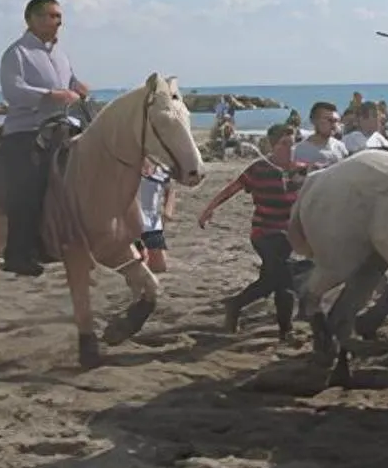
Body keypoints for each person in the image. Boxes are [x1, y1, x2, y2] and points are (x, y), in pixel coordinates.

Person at [0, 0, 90, 277]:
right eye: (52, 16)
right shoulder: (17, 53)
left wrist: (77, 85)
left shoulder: (60, 54)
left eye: (59, 16)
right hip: (27, 130)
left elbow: (68, 82)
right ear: (32, 19)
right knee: (29, 186)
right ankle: (19, 253)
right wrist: (51, 95)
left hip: (63, 125)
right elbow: (13, 91)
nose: (58, 22)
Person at [199, 124, 309, 337]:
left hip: (289, 235)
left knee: (272, 280)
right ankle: (285, 330)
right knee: (284, 279)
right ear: (272, 145)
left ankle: (236, 306)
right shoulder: (259, 169)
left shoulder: (302, 169)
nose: (290, 148)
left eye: (293, 143)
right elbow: (232, 189)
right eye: (284, 144)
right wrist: (209, 209)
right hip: (264, 233)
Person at [137, 160, 174, 274]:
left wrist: (167, 212)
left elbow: (170, 190)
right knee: (138, 263)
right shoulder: (126, 166)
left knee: (159, 268)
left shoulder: (161, 169)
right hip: (130, 223)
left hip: (152, 223)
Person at [292, 101, 350, 170]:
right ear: (314, 120)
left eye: (335, 120)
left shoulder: (340, 147)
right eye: (329, 120)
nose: (333, 124)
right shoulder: (299, 150)